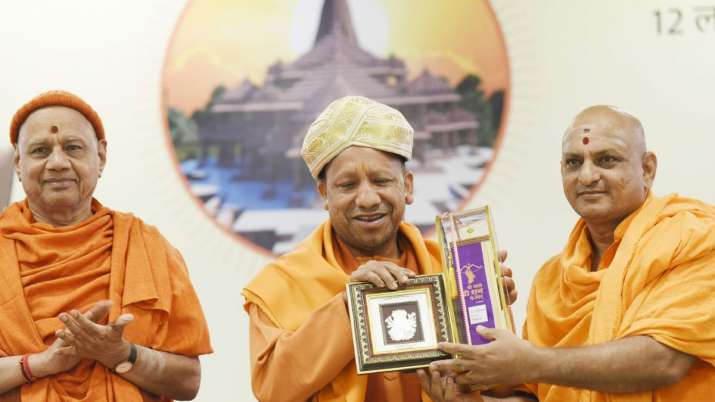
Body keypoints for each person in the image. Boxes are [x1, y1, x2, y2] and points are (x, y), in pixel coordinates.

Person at [424, 105, 715, 402]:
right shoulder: (552, 279)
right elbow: (538, 393)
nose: (587, 176)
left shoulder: (694, 238)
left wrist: (531, 362)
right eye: (574, 162)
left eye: (607, 160)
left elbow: (662, 361)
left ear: (647, 169)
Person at [242, 96, 517, 402]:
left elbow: (510, 389)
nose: (368, 199)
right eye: (347, 185)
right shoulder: (282, 284)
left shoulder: (456, 273)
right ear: (324, 194)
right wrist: (349, 306)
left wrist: (491, 310)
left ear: (407, 186)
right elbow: (273, 391)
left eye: (381, 180)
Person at [0, 90, 212, 401]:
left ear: (100, 157)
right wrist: (40, 364)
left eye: (73, 148)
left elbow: (188, 382)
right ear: (19, 162)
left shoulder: (147, 247)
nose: (57, 163)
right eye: (40, 150)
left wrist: (120, 353)